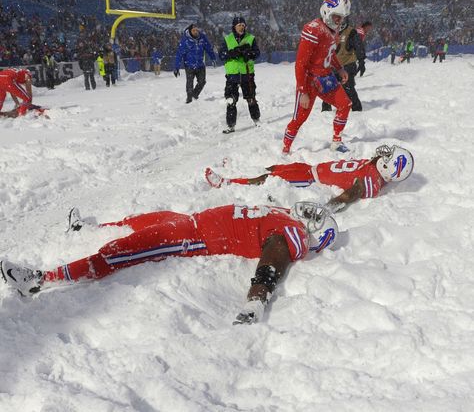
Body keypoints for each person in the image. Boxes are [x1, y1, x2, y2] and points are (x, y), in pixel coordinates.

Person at [1, 202, 339, 325]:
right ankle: (86, 228)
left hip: (194, 236)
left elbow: (274, 256)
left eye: (316, 218)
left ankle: (39, 280)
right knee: (143, 219)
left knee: (121, 250)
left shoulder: (293, 235)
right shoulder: (284, 213)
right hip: (193, 221)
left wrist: (257, 297)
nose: (311, 210)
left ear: (314, 234)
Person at [205, 144, 414, 213]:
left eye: (387, 157)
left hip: (309, 179)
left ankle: (226, 184)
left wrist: (324, 210)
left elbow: (347, 197)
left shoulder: (369, 182)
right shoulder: (379, 172)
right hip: (310, 169)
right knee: (273, 168)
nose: (383, 154)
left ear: (389, 167)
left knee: (266, 178)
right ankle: (236, 172)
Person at [282, 0, 352, 155]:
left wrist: (339, 68)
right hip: (309, 80)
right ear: (326, 12)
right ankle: (285, 149)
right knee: (299, 119)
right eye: (336, 17)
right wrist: (303, 90)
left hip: (326, 77)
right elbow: (301, 63)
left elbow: (329, 52)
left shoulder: (331, 30)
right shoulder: (313, 29)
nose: (339, 21)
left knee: (345, 104)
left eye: (341, 18)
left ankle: (336, 141)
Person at [218, 16, 261, 134]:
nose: (241, 27)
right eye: (239, 25)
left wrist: (249, 53)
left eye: (243, 25)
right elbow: (221, 55)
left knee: (251, 98)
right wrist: (231, 53)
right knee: (231, 100)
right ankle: (231, 126)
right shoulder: (227, 39)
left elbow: (257, 53)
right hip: (232, 75)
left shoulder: (250, 38)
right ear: (234, 27)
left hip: (247, 74)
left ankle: (257, 120)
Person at [321, 19, 366, 112]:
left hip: (348, 63)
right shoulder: (329, 31)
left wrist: (361, 61)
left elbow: (359, 46)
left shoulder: (351, 32)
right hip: (332, 65)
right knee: (328, 87)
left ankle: (357, 109)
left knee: (348, 86)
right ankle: (326, 110)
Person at [174, 24, 216, 104]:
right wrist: (176, 67)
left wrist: (213, 58)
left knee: (202, 82)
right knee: (190, 83)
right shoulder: (185, 40)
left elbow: (208, 48)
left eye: (197, 30)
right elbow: (179, 54)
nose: (196, 32)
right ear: (190, 31)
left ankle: (194, 95)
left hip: (200, 64)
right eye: (194, 30)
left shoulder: (202, 38)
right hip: (189, 65)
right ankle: (189, 99)